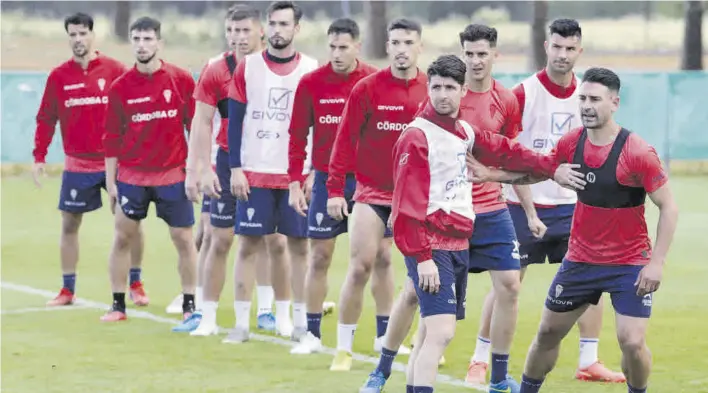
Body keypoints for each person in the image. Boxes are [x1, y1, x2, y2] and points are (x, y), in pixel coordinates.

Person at [474, 67, 679, 393]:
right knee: (546, 334)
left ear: (615, 103)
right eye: (582, 98)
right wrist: (491, 174)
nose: (586, 105)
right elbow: (537, 173)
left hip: (629, 263)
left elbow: (669, 207)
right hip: (581, 261)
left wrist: (657, 262)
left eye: (595, 99)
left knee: (632, 341)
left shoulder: (637, 152)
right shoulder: (572, 143)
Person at [360, 24, 527, 392]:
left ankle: (497, 376)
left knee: (510, 286)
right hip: (438, 220)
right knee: (416, 298)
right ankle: (382, 369)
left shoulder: (506, 99)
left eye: (483, 53)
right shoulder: (435, 104)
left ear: (494, 55)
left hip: (488, 210)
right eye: (470, 53)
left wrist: (523, 201)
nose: (476, 59)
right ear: (462, 54)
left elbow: (510, 152)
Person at [390, 54, 568, 393]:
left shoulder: (463, 132)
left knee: (431, 333)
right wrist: (422, 257)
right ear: (428, 89)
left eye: (450, 88)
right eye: (436, 87)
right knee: (440, 333)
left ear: (461, 92)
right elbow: (405, 207)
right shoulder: (417, 136)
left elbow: (506, 150)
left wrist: (551, 165)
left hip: (458, 244)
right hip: (432, 246)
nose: (442, 95)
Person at [464, 18, 622, 382]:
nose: (562, 54)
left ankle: (588, 361)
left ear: (579, 51)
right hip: (523, 204)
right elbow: (508, 150)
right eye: (557, 46)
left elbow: (599, 146)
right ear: (546, 47)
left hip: (575, 207)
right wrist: (526, 203)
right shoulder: (523, 93)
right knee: (507, 284)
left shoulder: (589, 93)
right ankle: (480, 358)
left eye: (570, 48)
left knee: (590, 280)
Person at [173, 4, 285, 334]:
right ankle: (205, 317)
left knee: (273, 240)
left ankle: (267, 311)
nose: (238, 37)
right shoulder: (215, 70)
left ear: (260, 31)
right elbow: (202, 121)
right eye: (232, 31)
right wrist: (199, 170)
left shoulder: (279, 69)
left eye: (245, 30)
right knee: (219, 239)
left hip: (269, 161)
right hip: (226, 161)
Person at [325, 17, 427, 371]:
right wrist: (336, 189)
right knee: (360, 266)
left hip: (417, 199)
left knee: (424, 274)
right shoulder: (367, 88)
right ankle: (343, 348)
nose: (402, 50)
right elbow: (344, 141)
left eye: (408, 43)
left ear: (420, 47)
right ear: (387, 47)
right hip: (371, 194)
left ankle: (415, 342)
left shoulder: (433, 89)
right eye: (396, 43)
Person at [33, 13, 148, 308]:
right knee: (69, 224)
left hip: (116, 162)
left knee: (130, 222)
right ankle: (67, 290)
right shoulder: (59, 76)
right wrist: (39, 156)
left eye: (82, 33)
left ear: (92, 35)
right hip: (77, 164)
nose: (78, 40)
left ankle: (135, 283)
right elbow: (46, 118)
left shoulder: (114, 70)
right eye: (72, 35)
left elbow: (135, 107)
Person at [223, 1, 318, 343]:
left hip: (295, 174)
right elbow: (234, 123)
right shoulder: (247, 67)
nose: (278, 30)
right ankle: (241, 324)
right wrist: (235, 168)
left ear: (297, 28)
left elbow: (317, 125)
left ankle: (296, 322)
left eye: (285, 24)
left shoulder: (311, 68)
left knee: (298, 248)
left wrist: (313, 172)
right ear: (266, 27)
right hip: (254, 173)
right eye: (273, 23)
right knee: (248, 246)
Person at [286, 18, 381, 354]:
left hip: (369, 181)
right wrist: (295, 183)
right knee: (320, 256)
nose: (337, 53)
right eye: (332, 47)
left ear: (358, 46)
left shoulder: (372, 80)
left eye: (344, 47)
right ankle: (311, 334)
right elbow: (297, 136)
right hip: (327, 180)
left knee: (379, 257)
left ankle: (384, 336)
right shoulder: (312, 83)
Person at [100, 17, 197, 323]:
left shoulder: (181, 80)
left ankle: (190, 304)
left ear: (159, 43)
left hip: (172, 175)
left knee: (183, 239)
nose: (142, 45)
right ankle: (117, 304)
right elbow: (112, 137)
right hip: (132, 177)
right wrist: (111, 181)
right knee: (122, 237)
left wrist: (195, 171)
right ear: (131, 43)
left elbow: (196, 129)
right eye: (137, 39)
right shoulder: (120, 87)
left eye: (148, 39)